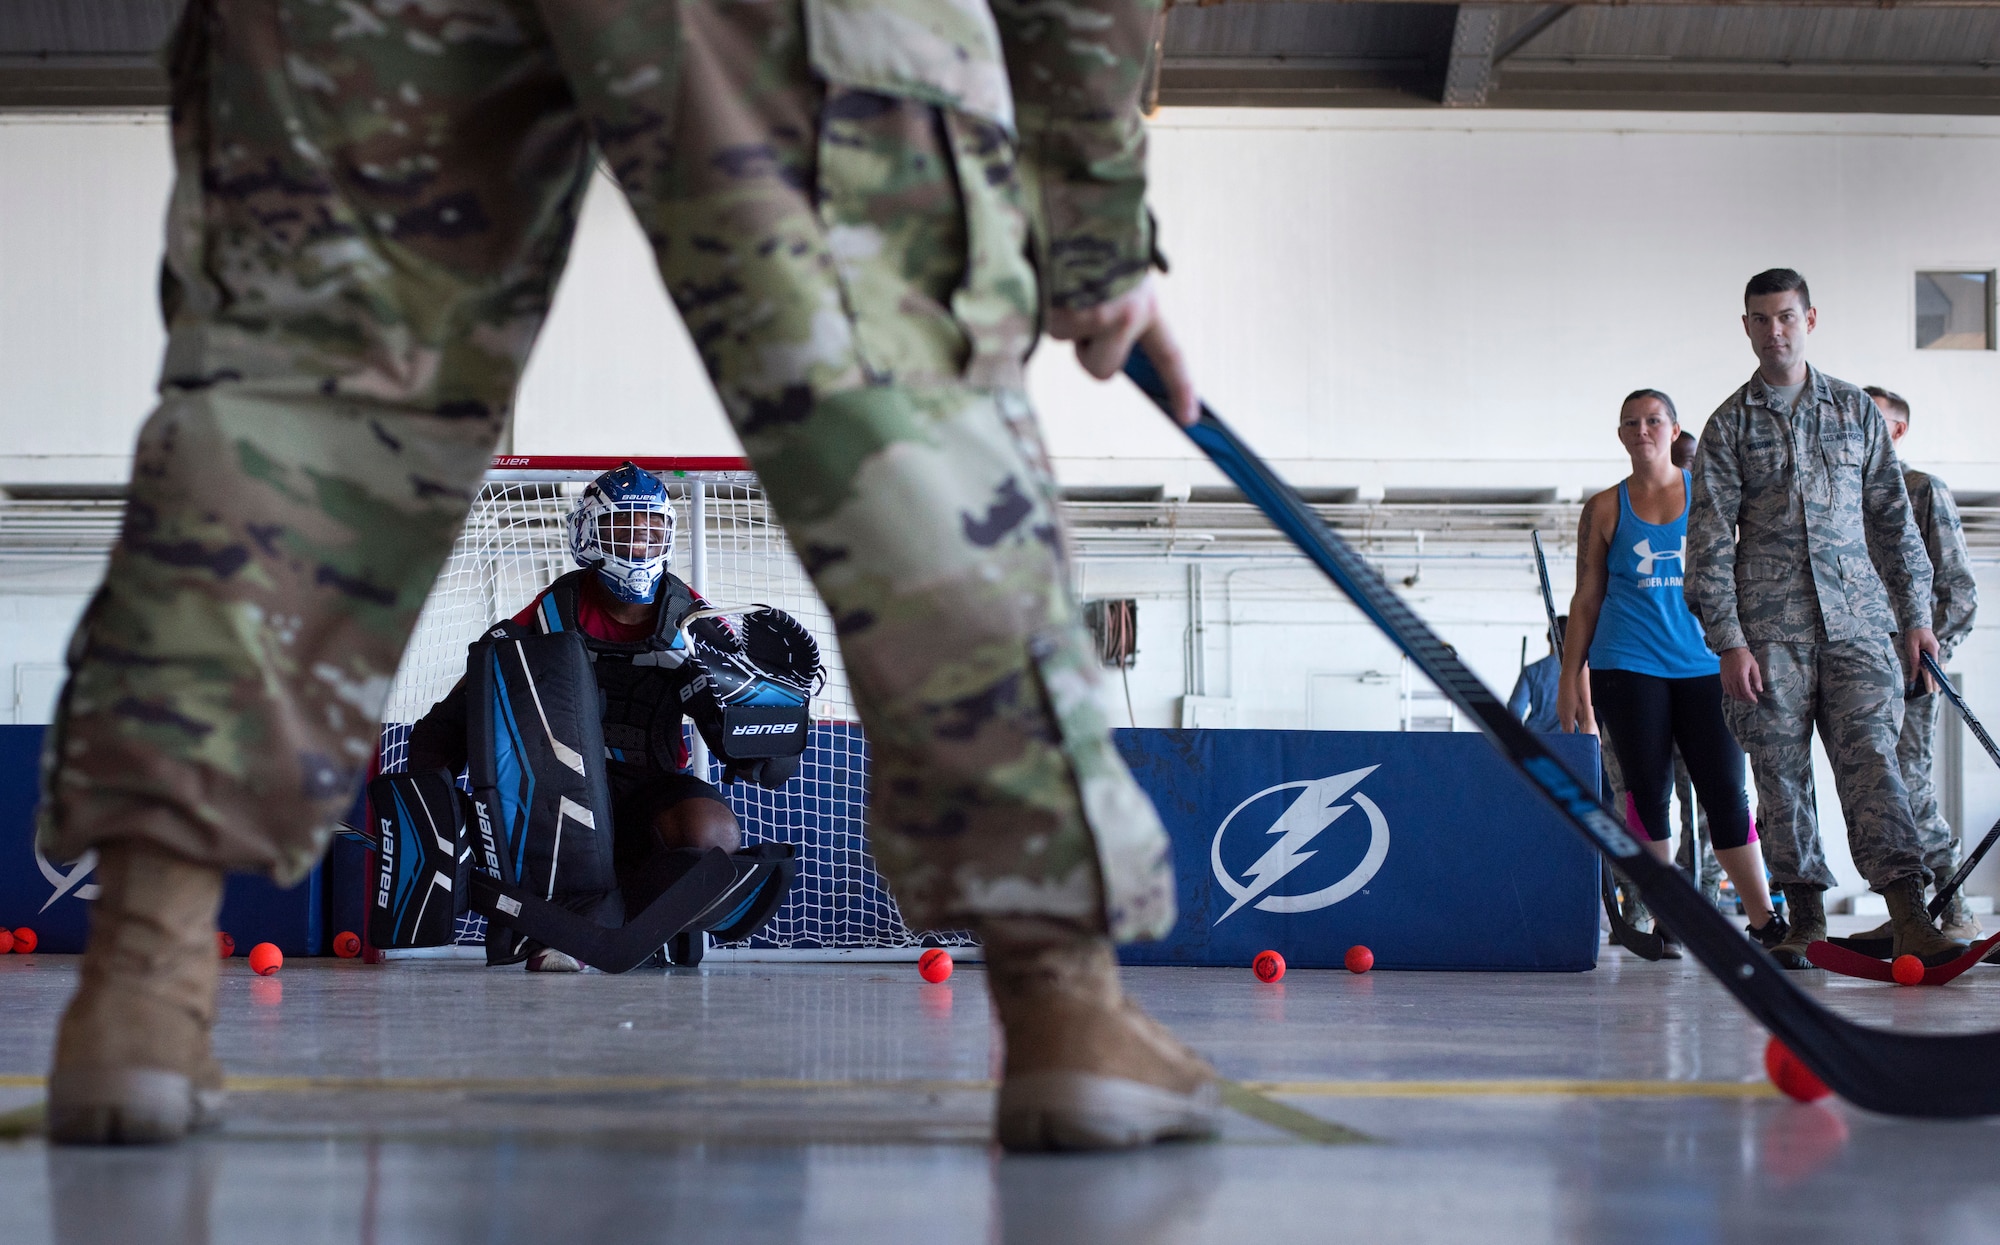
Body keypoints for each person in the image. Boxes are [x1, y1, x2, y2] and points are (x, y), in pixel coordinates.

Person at [37, 0, 1210, 1150]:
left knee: (290, 419)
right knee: (904, 419)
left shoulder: (686, 621)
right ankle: (1063, 1009)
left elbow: (750, 730)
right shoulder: (537, 621)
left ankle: (139, 990)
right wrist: (1095, 220)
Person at [1685, 269, 1959, 970]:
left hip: (1859, 625)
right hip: (1769, 633)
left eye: (1787, 317)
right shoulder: (1728, 426)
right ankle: (1803, 917)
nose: (1775, 331)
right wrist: (1729, 641)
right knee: (1778, 773)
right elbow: (1710, 541)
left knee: (1875, 762)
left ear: (1810, 319)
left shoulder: (1853, 411)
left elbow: (1895, 519)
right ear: (1745, 326)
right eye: (1761, 319)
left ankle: (1909, 914)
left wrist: (1915, 618)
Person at [404, 463, 747, 973]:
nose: (639, 541)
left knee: (714, 835)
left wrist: (764, 710)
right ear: (588, 533)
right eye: (624, 526)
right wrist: (431, 806)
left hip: (652, 788)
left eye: (651, 528)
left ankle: (613, 927)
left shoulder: (695, 620)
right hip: (560, 796)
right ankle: (571, 927)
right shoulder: (550, 612)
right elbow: (466, 702)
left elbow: (746, 741)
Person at [1556, 389, 1782, 955]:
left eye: (1653, 420)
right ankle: (1668, 918)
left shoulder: (1709, 499)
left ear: (1674, 427)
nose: (1642, 430)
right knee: (1647, 795)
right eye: (1631, 421)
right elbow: (1585, 599)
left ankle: (1763, 920)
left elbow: (1743, 580)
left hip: (1707, 663)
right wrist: (1569, 678)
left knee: (1727, 793)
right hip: (1627, 665)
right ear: (1620, 433)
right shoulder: (1606, 507)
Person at [1861, 386, 1981, 939]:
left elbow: (1957, 589)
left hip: (1910, 671)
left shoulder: (1921, 490)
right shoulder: (1841, 494)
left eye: (1876, 420)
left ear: (1899, 431)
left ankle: (1952, 904)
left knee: (1909, 787)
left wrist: (1934, 659)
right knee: (1870, 793)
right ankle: (1907, 916)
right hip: (1853, 673)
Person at [1508, 616, 1566, 732]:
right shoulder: (1580, 672)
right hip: (1568, 740)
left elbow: (1515, 710)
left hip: (1535, 739)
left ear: (1548, 637)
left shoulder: (1531, 671)